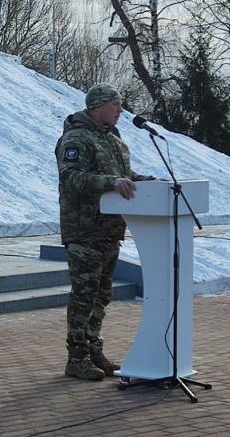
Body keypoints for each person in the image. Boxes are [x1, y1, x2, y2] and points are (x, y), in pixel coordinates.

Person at [55, 83, 155, 381]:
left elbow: (122, 176)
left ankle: (93, 349)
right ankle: (76, 357)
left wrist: (147, 181)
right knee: (84, 296)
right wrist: (110, 183)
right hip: (84, 230)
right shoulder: (76, 138)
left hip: (110, 230)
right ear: (97, 106)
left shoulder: (113, 139)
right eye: (116, 105)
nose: (121, 110)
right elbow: (71, 177)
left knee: (101, 295)